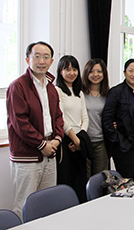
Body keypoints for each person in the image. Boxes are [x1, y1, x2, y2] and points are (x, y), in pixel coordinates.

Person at [6, 41, 64, 219]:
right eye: (36, 56)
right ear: (27, 59)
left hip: (50, 152)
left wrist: (57, 139)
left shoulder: (51, 87)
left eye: (46, 57)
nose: (41, 61)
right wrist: (42, 145)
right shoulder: (18, 86)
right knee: (24, 205)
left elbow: (58, 117)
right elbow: (20, 123)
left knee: (47, 204)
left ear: (52, 61)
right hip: (27, 155)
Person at [102, 59, 134, 184]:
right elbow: (107, 119)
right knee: (126, 181)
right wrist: (117, 140)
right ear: (124, 72)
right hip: (124, 144)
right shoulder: (116, 92)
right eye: (131, 71)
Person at [56, 55, 90, 203]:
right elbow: (60, 119)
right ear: (60, 71)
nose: (72, 73)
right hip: (66, 140)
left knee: (81, 179)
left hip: (80, 140)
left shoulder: (79, 92)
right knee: (67, 179)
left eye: (75, 69)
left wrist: (81, 138)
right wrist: (75, 140)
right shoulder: (57, 91)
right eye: (67, 69)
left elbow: (85, 117)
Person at [82, 58, 110, 177]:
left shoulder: (108, 94)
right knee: (84, 176)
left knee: (100, 179)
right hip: (83, 142)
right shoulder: (80, 93)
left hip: (101, 142)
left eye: (99, 71)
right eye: (92, 71)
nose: (95, 75)